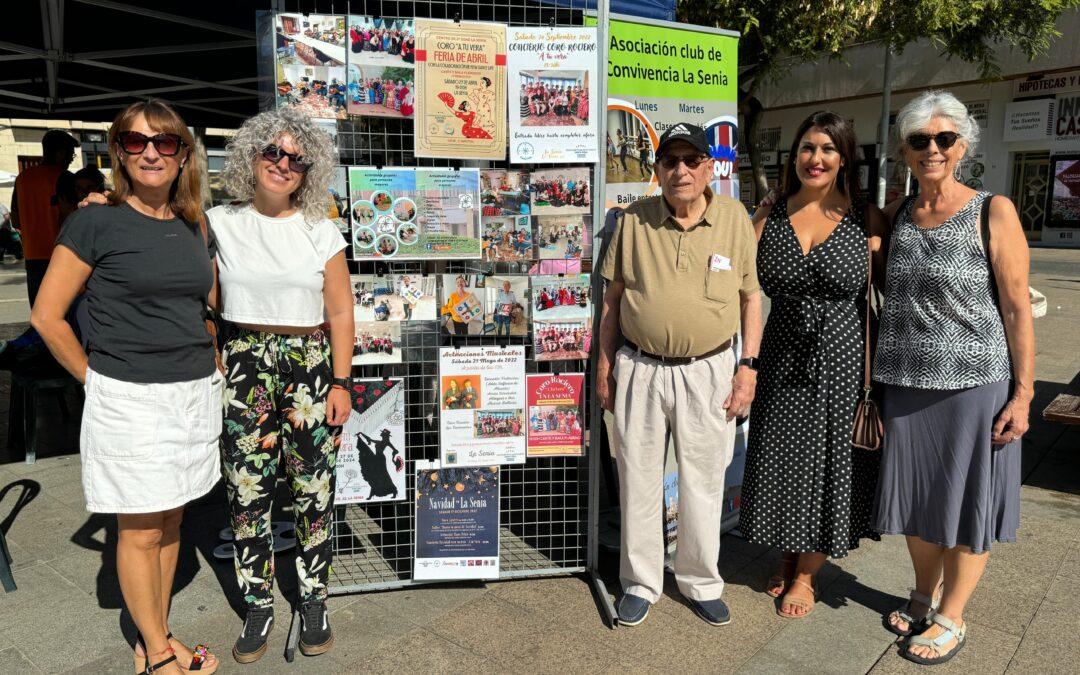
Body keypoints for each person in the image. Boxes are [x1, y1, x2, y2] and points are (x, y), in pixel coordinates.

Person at [31, 100, 222, 675]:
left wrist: (211, 345)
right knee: (139, 528)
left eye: (164, 143)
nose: (150, 153)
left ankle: (152, 635)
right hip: (131, 396)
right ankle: (161, 656)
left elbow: (206, 302)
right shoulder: (95, 220)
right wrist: (94, 379)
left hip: (192, 393)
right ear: (117, 150)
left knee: (171, 523)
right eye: (135, 142)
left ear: (182, 154)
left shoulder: (195, 223)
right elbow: (46, 316)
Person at [872, 91, 1034, 666]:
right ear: (905, 151)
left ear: (963, 145)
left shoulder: (994, 210)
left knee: (967, 502)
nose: (932, 149)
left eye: (944, 139)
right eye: (920, 140)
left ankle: (953, 614)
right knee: (918, 500)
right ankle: (922, 593)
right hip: (906, 382)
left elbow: (1017, 308)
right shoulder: (897, 216)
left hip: (975, 383)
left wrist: (1024, 391)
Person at [597, 123, 763, 627]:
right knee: (639, 480)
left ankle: (699, 581)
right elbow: (612, 301)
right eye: (670, 161)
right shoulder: (633, 222)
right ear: (658, 170)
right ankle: (641, 583)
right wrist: (604, 368)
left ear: (710, 167)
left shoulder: (734, 218)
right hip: (641, 368)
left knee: (704, 483)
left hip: (710, 369)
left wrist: (748, 367)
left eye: (692, 160)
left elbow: (750, 297)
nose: (681, 171)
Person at [210, 107, 352, 663]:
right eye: (273, 152)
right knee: (247, 492)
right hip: (244, 362)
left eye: (297, 157)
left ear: (309, 170)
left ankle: (314, 599)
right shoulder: (219, 222)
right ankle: (259, 604)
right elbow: (202, 294)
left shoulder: (321, 228)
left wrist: (341, 380)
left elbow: (340, 312)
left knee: (313, 491)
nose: (283, 164)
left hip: (311, 365)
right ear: (251, 154)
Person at [738, 111, 887, 619]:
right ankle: (786, 552)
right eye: (806, 147)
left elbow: (897, 292)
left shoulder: (866, 218)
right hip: (779, 357)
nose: (815, 158)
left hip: (843, 361)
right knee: (779, 460)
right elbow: (735, 286)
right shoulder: (770, 213)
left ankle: (807, 573)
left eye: (826, 148)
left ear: (844, 157)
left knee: (830, 467)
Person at [11, 129, 79, 306]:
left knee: (40, 313)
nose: (71, 159)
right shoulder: (66, 178)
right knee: (66, 312)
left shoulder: (22, 178)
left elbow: (16, 220)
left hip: (32, 256)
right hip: (63, 254)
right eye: (71, 155)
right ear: (60, 154)